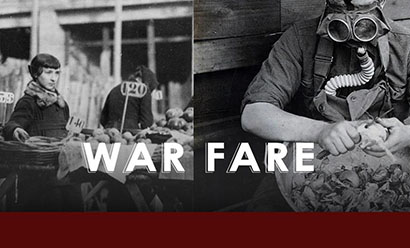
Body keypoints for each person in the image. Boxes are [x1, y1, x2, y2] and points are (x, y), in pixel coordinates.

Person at [241, 0, 410, 157]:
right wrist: (319, 131)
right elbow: (253, 115)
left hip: (390, 159)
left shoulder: (405, 44)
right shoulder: (300, 39)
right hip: (314, 160)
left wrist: (406, 134)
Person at [3, 53, 69, 141]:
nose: (54, 78)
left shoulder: (61, 105)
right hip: (38, 153)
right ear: (35, 74)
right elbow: (13, 123)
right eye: (48, 72)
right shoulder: (28, 102)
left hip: (60, 152)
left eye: (57, 73)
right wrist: (15, 129)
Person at [100, 65, 158, 131]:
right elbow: (147, 122)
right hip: (130, 134)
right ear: (147, 83)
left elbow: (103, 119)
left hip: (110, 132)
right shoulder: (143, 90)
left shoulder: (115, 89)